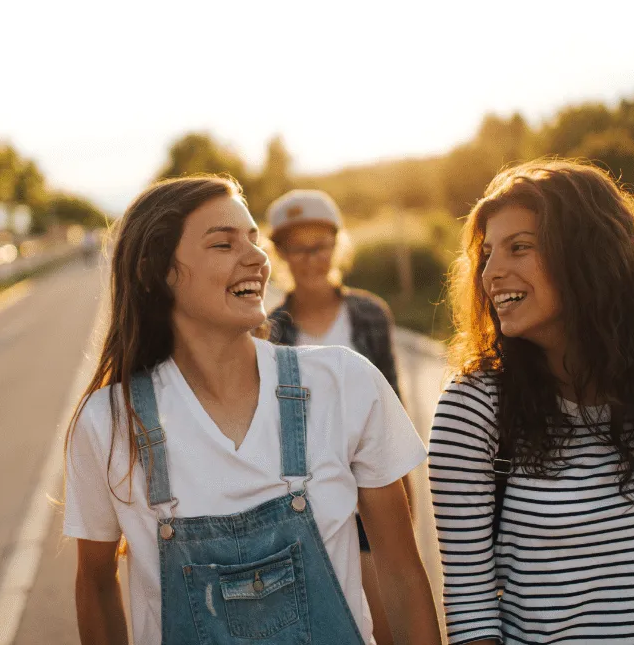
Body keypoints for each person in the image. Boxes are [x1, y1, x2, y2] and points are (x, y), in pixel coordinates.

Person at [63, 176, 440, 645]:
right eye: (223, 244)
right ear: (154, 272)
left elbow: (402, 574)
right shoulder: (110, 423)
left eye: (254, 240)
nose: (258, 259)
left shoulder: (345, 382)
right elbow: (96, 584)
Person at [429, 161, 634, 644]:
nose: (491, 273)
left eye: (519, 247)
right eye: (487, 254)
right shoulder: (473, 407)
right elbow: (470, 605)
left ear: (589, 255)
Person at [264, 188, 409, 645]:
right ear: (281, 253)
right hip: (305, 495)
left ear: (336, 244)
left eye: (320, 245)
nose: (311, 258)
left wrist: (405, 491)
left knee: (387, 624)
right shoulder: (269, 331)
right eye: (298, 248)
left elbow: (392, 404)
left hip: (370, 485)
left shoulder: (369, 315)